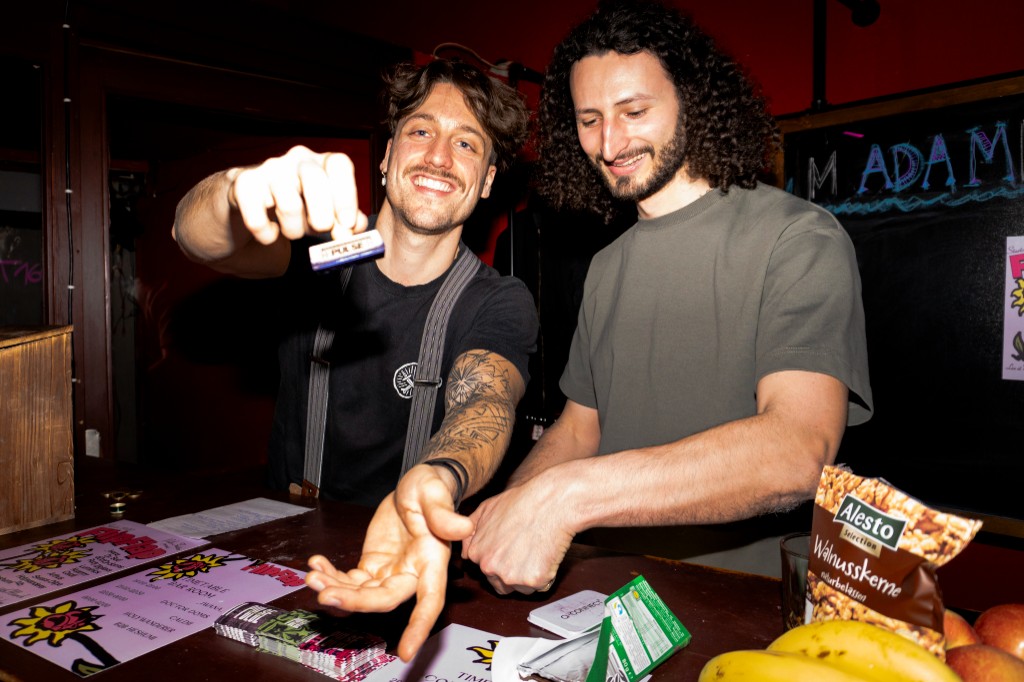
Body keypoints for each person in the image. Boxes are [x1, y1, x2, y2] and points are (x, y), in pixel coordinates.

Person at [461, 0, 873, 595]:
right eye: (589, 119)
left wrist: (569, 496)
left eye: (634, 111)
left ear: (692, 101)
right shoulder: (606, 267)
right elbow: (580, 431)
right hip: (607, 602)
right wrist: (506, 513)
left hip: (743, 610)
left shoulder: (797, 236)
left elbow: (797, 448)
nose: (610, 141)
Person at [172, 59, 538, 659]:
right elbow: (195, 235)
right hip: (275, 563)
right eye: (421, 131)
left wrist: (438, 478)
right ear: (388, 155)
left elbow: (487, 399)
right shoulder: (315, 254)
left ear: (489, 180)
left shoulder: (499, 300)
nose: (440, 156)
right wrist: (241, 190)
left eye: (467, 143)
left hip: (403, 566)